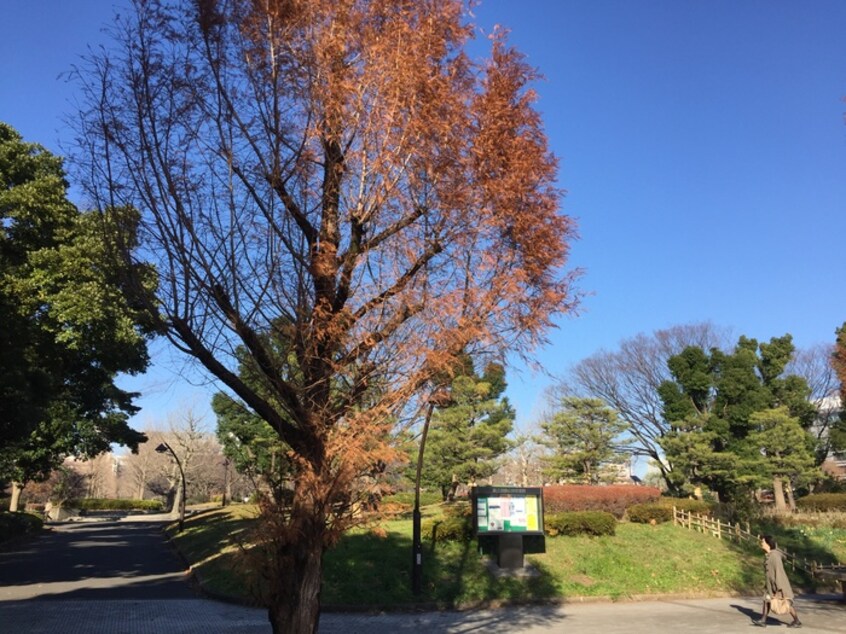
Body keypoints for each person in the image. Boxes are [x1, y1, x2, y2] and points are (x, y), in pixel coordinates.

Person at [752, 535, 801, 628]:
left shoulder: (774, 556)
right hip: (770, 585)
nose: (761, 544)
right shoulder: (769, 555)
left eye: (763, 542)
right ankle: (763, 620)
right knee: (766, 600)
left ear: (768, 544)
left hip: (778, 585)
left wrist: (779, 588)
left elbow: (779, 572)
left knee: (785, 603)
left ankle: (797, 621)